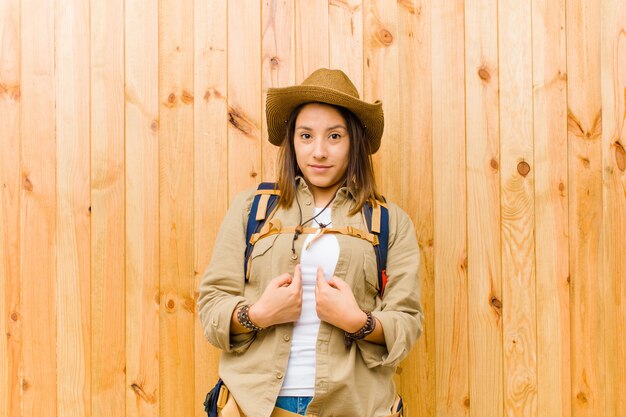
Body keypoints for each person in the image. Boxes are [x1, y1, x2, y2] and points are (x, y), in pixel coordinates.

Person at [198, 68, 423, 417]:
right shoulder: (250, 209)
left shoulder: (390, 222)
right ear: (292, 141)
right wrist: (259, 314)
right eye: (306, 136)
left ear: (355, 142)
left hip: (354, 407)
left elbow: (407, 322)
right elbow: (212, 306)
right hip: (252, 406)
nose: (318, 151)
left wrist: (357, 322)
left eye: (334, 136)